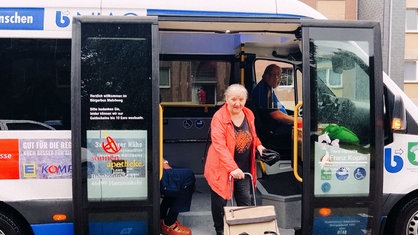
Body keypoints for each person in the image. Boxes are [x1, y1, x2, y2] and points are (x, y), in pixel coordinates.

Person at [204, 84, 266, 235]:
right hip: (221, 167)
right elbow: (219, 146)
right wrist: (232, 168)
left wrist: (260, 147)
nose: (237, 103)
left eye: (241, 99)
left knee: (246, 200)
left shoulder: (249, 114)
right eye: (233, 99)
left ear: (245, 100)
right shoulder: (219, 117)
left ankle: (244, 229)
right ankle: (220, 230)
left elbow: (253, 136)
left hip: (243, 168)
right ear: (226, 99)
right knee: (220, 202)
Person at [251, 64, 301, 156]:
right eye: (273, 75)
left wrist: (292, 117)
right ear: (265, 75)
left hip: (276, 127)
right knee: (302, 134)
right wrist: (296, 120)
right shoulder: (264, 91)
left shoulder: (267, 88)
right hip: (273, 132)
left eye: (279, 75)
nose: (277, 78)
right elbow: (276, 115)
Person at [160, 159, 195, 235]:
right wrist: (162, 162)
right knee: (188, 176)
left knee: (180, 175)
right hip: (152, 167)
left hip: (157, 163)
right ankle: (169, 222)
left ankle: (161, 217)